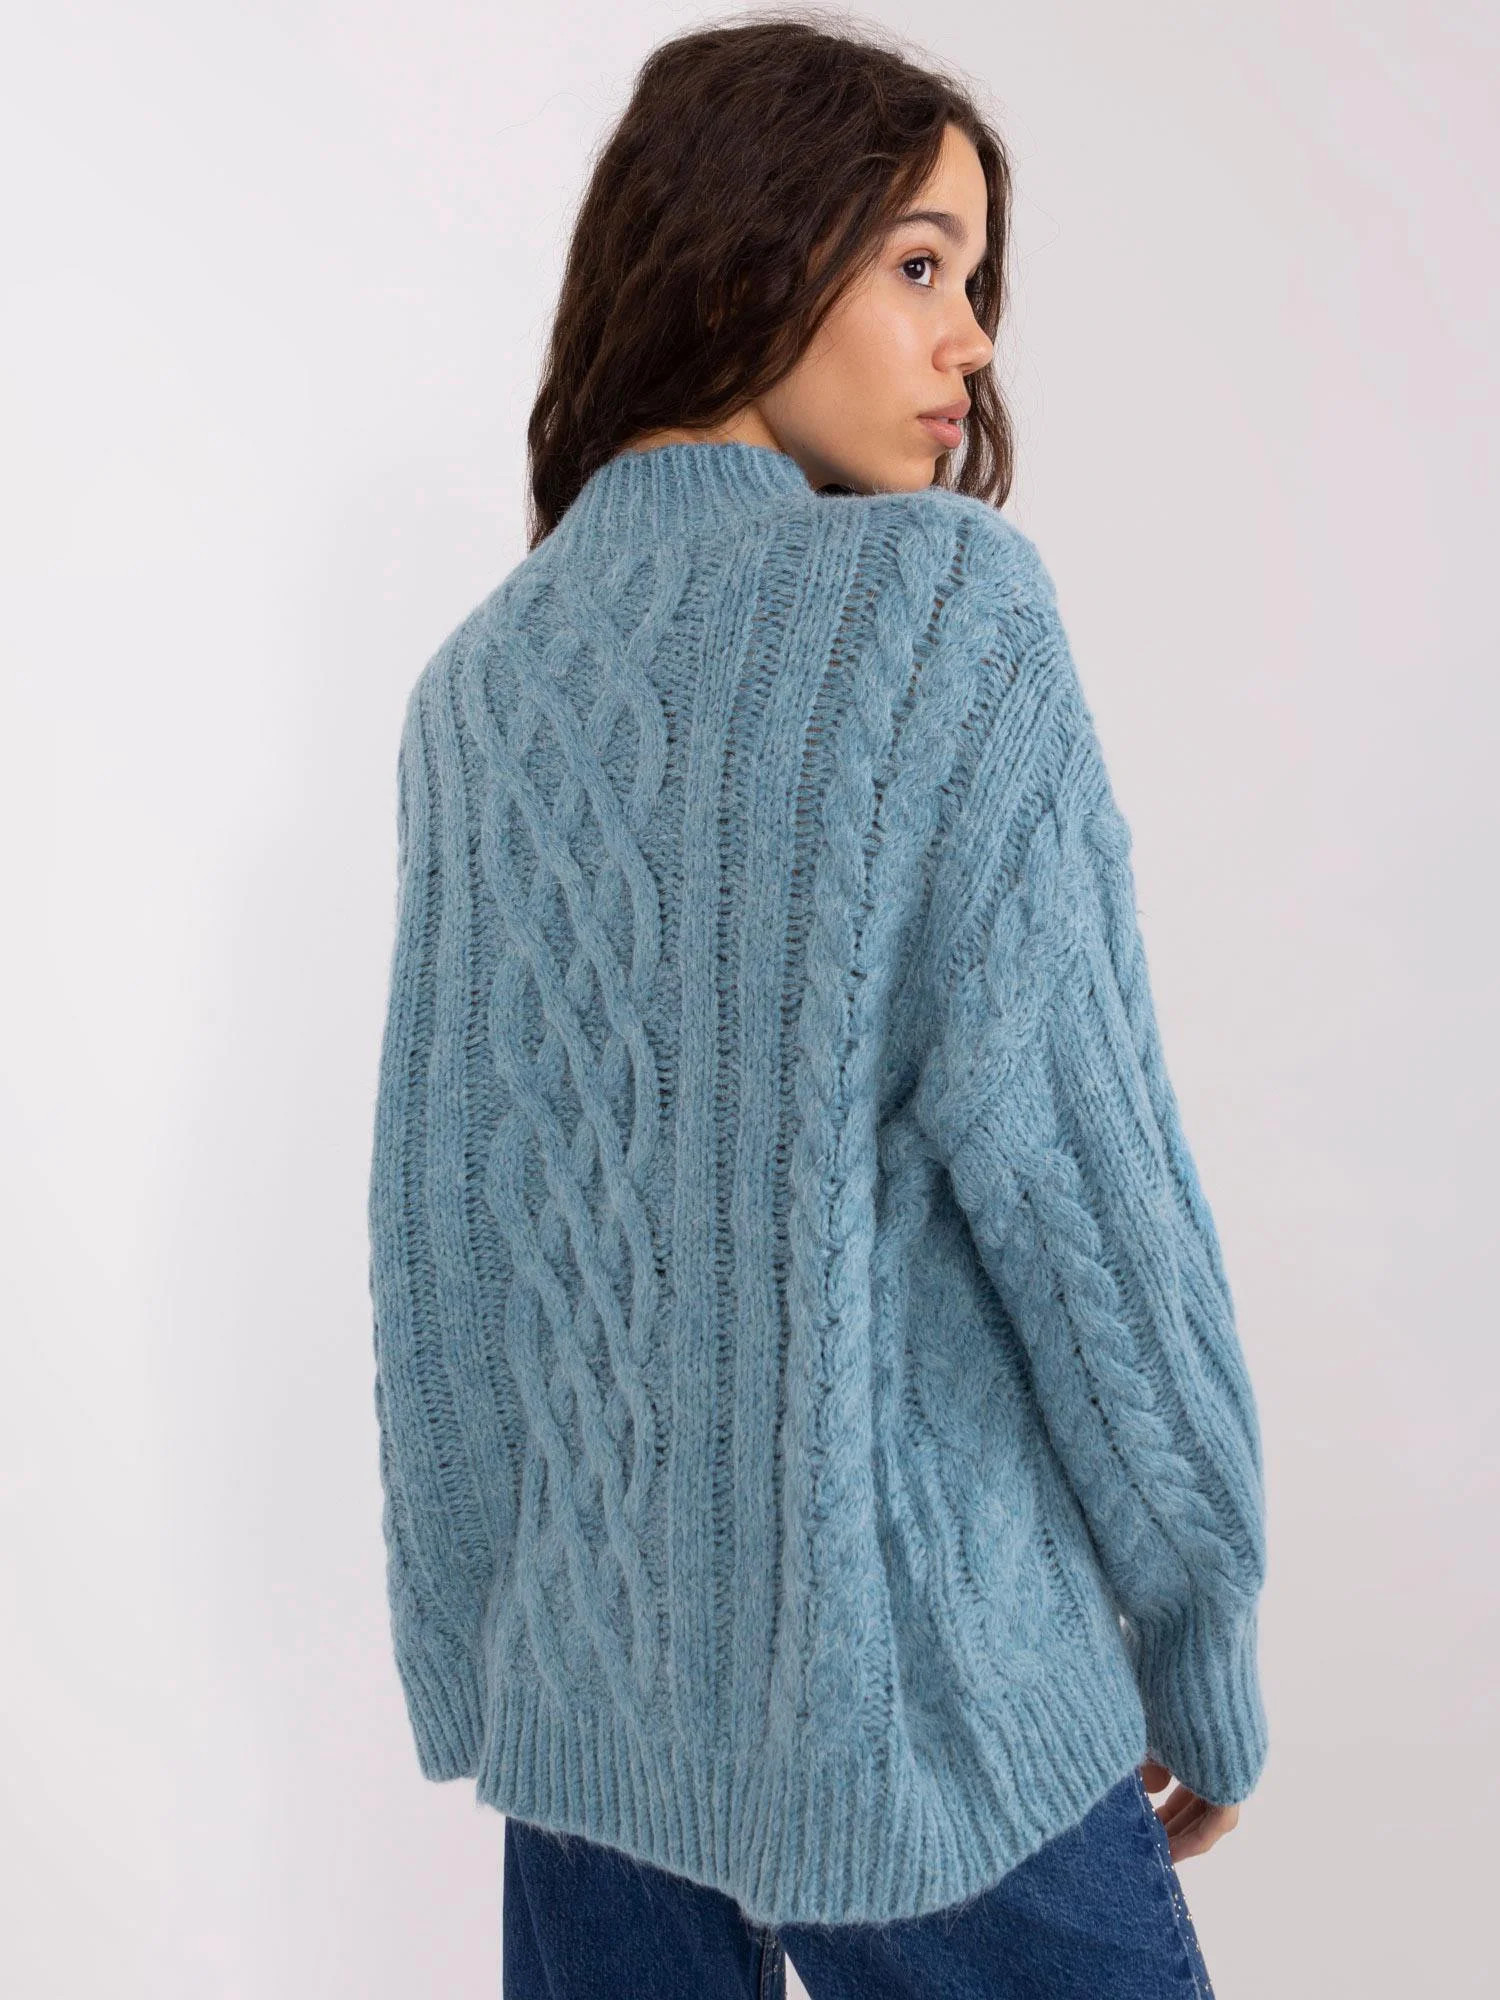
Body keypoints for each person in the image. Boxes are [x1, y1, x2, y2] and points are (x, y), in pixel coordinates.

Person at [365, 16, 1269, 1997]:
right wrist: (1199, 1614)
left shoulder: (477, 694)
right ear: (749, 242)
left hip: (585, 1742)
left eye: (978, 281)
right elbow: (1085, 1183)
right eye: (921, 263)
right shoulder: (944, 614)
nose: (972, 341)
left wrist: (474, 1662)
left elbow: (445, 1254)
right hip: (929, 1723)